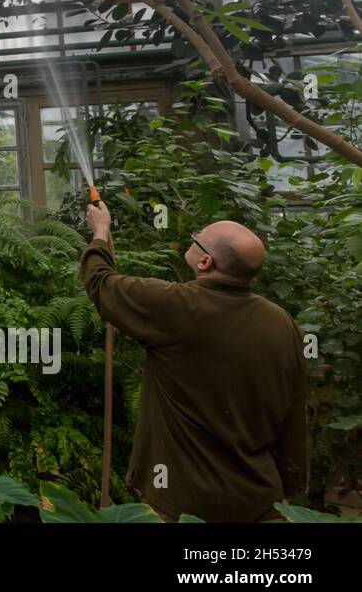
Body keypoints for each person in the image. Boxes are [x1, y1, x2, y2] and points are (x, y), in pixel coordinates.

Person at [81, 202, 308, 522]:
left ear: (205, 261)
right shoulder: (281, 321)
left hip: (183, 503)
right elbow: (294, 413)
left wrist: (101, 232)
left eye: (198, 237)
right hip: (259, 501)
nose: (195, 235)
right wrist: (290, 487)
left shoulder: (176, 307)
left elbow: (101, 283)